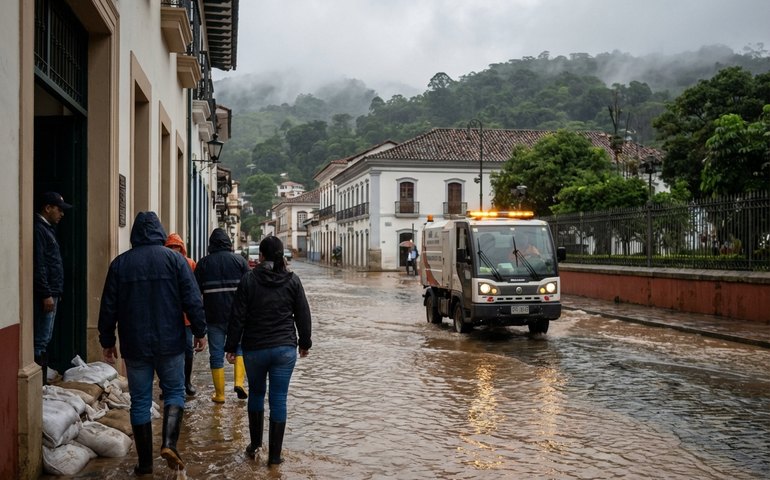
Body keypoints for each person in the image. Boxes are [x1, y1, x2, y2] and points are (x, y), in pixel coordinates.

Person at [98, 211, 207, 475]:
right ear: (160, 232)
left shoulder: (120, 264)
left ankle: (145, 464)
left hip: (134, 344)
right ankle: (169, 444)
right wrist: (200, 331)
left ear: (135, 234)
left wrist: (107, 340)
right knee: (174, 392)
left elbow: (108, 307)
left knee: (140, 400)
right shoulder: (175, 260)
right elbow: (192, 298)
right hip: (171, 341)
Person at [225, 235, 312, 466]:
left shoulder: (248, 280)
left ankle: (255, 446)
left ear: (261, 256)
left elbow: (237, 316)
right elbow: (303, 314)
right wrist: (305, 343)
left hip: (254, 349)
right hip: (284, 349)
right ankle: (274, 457)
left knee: (256, 393)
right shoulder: (293, 281)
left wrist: (231, 346)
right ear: (281, 255)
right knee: (279, 398)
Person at [195, 228, 250, 403]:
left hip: (213, 317)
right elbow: (250, 289)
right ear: (228, 243)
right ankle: (239, 383)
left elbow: (195, 294)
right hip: (237, 317)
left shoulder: (203, 264)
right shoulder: (240, 261)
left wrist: (198, 324)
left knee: (216, 354)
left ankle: (220, 395)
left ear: (210, 245)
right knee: (240, 348)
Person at [33, 191, 72, 385]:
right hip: (47, 293)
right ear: (47, 208)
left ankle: (41, 383)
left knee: (45, 337)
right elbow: (39, 264)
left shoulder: (47, 229)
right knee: (41, 338)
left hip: (53, 291)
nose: (62, 214)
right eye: (59, 209)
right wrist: (46, 293)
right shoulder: (39, 230)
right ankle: (38, 384)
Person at [165, 232, 198, 396]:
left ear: (181, 248)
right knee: (167, 352)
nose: (174, 249)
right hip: (167, 316)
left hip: (185, 317)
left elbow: (194, 292)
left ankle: (187, 382)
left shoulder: (190, 264)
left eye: (176, 246)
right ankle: (168, 385)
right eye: (170, 246)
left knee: (187, 350)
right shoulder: (162, 264)